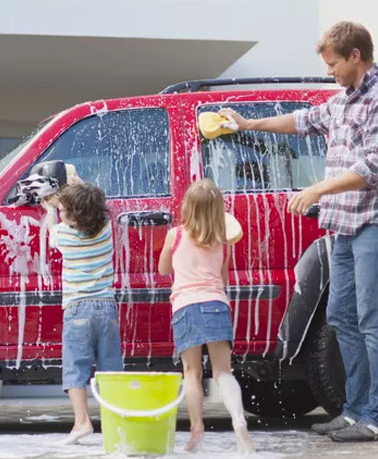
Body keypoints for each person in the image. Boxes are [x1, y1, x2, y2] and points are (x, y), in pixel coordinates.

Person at [220, 21, 378, 442]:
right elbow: (301, 121)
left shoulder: (377, 99)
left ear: (356, 57)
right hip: (341, 225)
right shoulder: (342, 100)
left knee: (370, 320)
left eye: (334, 64)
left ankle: (374, 415)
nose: (330, 72)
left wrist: (318, 188)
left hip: (370, 224)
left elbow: (372, 167)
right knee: (342, 318)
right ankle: (354, 410)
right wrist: (247, 125)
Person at [158, 179, 254, 454]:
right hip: (216, 304)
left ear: (187, 207)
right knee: (224, 372)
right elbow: (222, 278)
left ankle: (197, 428)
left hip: (186, 306)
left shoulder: (175, 235)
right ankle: (239, 421)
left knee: (192, 373)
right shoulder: (223, 241)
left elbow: (164, 268)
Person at [42, 182, 123, 445]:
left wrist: (50, 210)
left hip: (77, 309)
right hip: (106, 307)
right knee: (110, 368)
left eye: (64, 209)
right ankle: (114, 423)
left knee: (76, 367)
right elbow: (89, 205)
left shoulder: (64, 236)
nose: (60, 211)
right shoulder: (106, 230)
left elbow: (52, 229)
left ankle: (82, 421)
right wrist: (72, 194)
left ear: (74, 216)